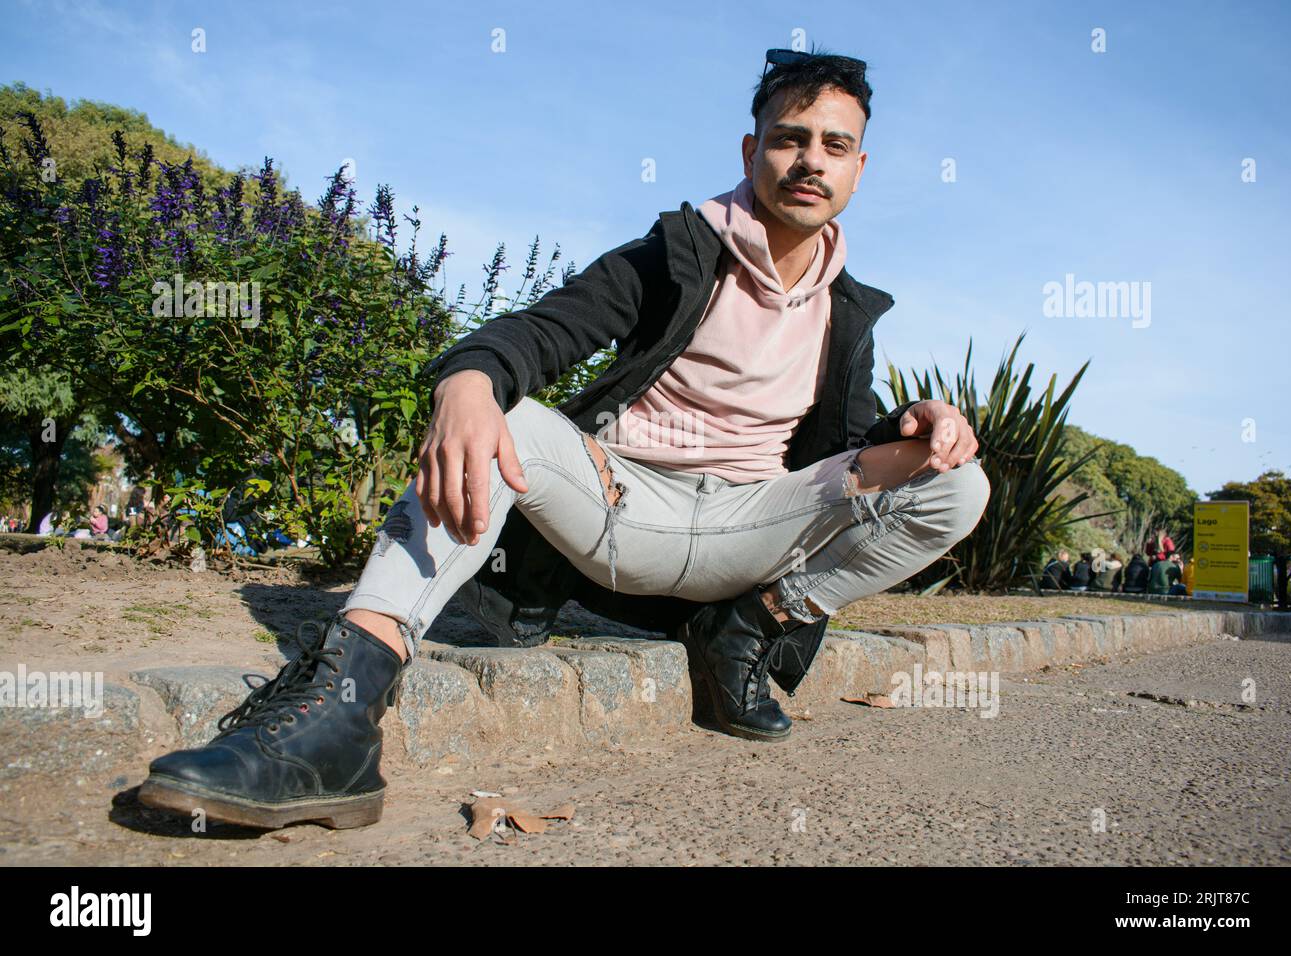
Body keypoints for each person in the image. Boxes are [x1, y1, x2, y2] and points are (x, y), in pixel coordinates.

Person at [139, 48, 991, 832]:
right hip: (620, 506)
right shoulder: (679, 252)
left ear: (858, 168)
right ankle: (339, 718)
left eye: (834, 146)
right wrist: (468, 379)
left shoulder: (849, 310)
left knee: (961, 481)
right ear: (750, 150)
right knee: (500, 414)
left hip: (750, 530)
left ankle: (749, 627)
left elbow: (843, 443)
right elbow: (546, 329)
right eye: (789, 139)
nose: (810, 160)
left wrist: (923, 426)